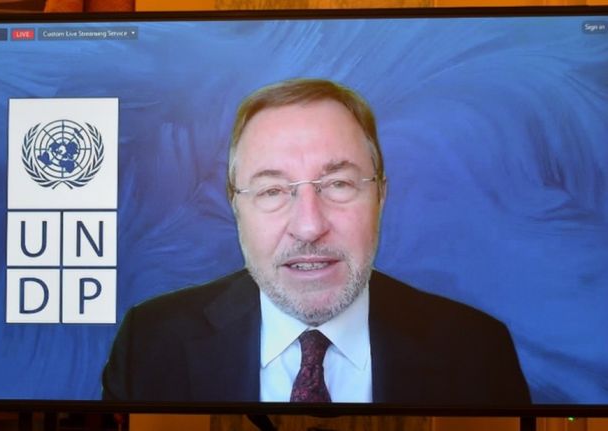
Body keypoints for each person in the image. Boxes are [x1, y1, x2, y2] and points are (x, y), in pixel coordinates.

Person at [102, 78, 531, 404]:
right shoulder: (151, 343)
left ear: (381, 195)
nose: (309, 227)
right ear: (236, 206)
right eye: (272, 190)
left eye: (339, 184)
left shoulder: (477, 350)